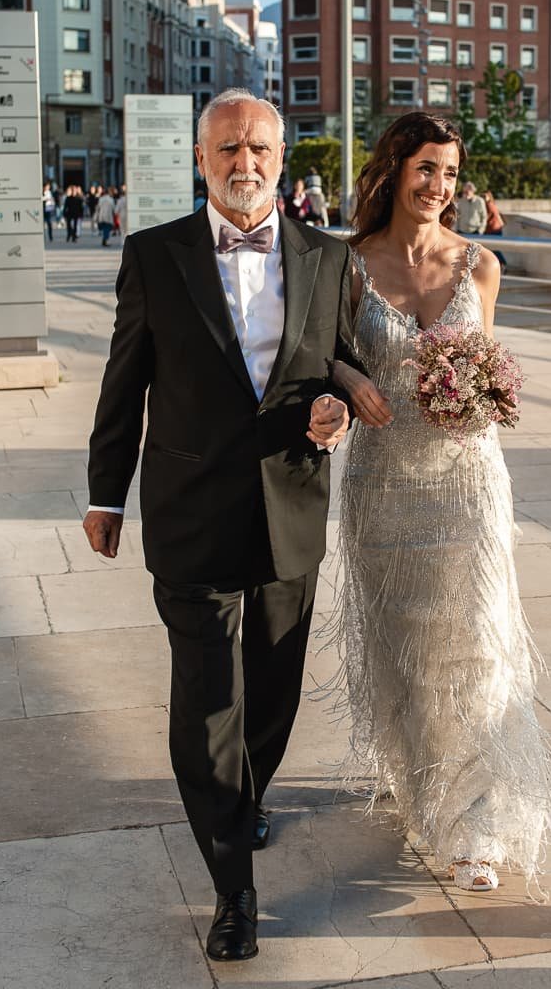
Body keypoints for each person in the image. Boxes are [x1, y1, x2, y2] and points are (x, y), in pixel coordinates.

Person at [83, 88, 358, 963]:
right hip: (190, 513)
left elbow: (340, 364)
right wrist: (104, 493)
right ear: (202, 161)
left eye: (260, 150)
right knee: (208, 705)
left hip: (289, 509)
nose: (245, 164)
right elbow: (123, 382)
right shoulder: (153, 255)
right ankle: (232, 885)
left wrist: (337, 411)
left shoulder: (327, 256)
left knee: (270, 695)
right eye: (227, 149)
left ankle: (249, 797)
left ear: (284, 162)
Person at [330, 112, 551, 893]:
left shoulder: (480, 266)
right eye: (426, 169)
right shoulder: (348, 266)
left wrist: (481, 395)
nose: (439, 187)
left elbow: (488, 369)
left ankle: (480, 828)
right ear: (394, 170)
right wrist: (346, 382)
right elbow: (318, 359)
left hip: (468, 485)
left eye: (451, 174)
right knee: (407, 654)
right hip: (384, 485)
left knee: (478, 648)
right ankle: (426, 784)